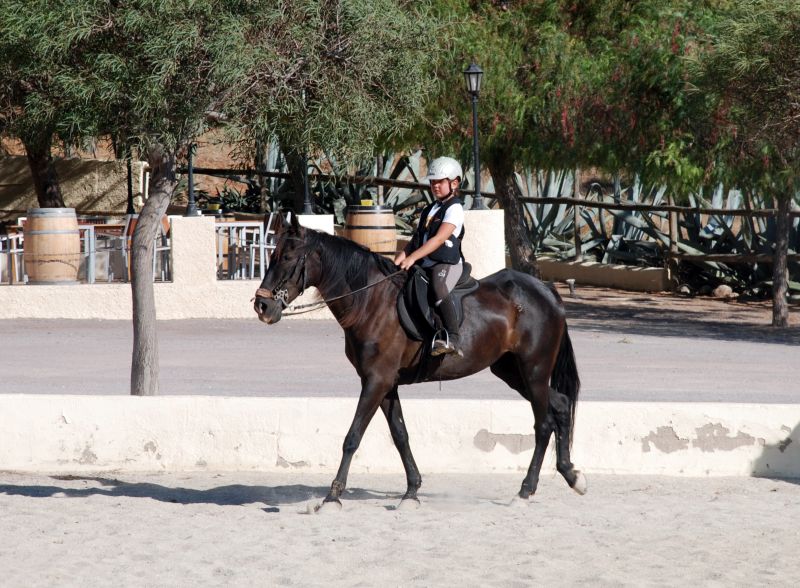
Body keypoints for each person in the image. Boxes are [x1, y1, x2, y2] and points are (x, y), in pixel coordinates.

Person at [394, 156, 466, 356]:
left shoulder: (455, 209)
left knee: (438, 287)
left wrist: (412, 258)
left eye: (440, 182)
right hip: (426, 261)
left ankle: (453, 338)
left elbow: (438, 239)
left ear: (454, 183)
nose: (435, 186)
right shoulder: (430, 208)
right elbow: (417, 238)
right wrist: (401, 257)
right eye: (432, 182)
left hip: (446, 264)